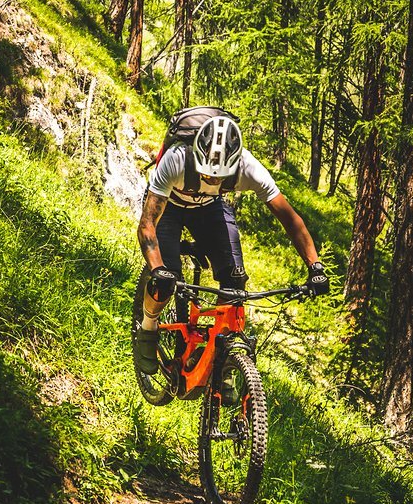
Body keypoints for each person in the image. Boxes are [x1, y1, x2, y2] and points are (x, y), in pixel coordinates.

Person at [134, 114, 329, 374]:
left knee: (235, 279)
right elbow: (147, 224)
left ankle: (222, 355)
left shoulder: (248, 167)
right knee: (166, 279)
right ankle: (148, 328)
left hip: (209, 208)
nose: (213, 181)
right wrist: (158, 269)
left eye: (219, 178)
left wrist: (315, 266)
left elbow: (291, 220)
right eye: (207, 174)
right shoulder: (177, 159)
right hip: (169, 207)